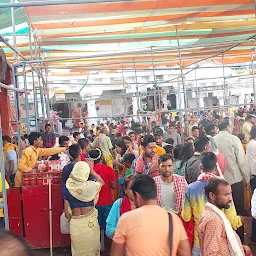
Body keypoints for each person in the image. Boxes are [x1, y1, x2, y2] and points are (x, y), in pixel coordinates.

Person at [111, 174, 191, 256]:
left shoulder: (126, 219)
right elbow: (185, 253)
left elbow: (115, 253)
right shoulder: (173, 219)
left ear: (137, 196)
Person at [181, 152, 242, 256]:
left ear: (200, 167)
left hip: (198, 241)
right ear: (215, 168)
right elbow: (232, 219)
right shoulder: (223, 189)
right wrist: (240, 221)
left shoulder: (191, 188)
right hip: (219, 242)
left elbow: (186, 217)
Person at [214, 119, 250, 238]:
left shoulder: (214, 140)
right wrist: (247, 180)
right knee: (238, 210)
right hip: (235, 180)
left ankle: (226, 238)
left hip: (220, 182)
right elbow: (241, 161)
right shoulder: (234, 139)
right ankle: (239, 238)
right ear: (228, 127)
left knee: (222, 211)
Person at [198, 178, 251, 256]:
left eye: (230, 194)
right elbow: (211, 253)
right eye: (226, 195)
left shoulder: (214, 214)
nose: (230, 198)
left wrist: (240, 247)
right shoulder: (213, 220)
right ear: (212, 196)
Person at [64, 161, 103, 256]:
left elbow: (67, 214)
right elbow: (101, 182)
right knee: (92, 250)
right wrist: (92, 171)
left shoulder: (68, 188)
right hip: (90, 224)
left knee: (79, 252)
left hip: (76, 226)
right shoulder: (91, 187)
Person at [88, 149, 117, 250]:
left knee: (95, 228)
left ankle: (97, 248)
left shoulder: (88, 170)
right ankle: (109, 249)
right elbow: (114, 186)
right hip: (107, 203)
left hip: (93, 204)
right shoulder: (109, 169)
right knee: (108, 228)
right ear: (101, 158)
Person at [106, 174, 136, 239]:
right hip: (122, 245)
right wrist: (122, 233)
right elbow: (109, 229)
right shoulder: (118, 204)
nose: (134, 191)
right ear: (125, 190)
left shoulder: (145, 205)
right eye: (131, 188)